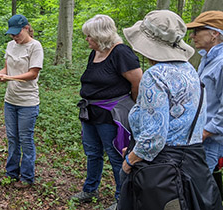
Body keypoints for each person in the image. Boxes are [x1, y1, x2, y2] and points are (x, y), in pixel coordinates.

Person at [119, 10, 222, 209]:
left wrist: (130, 160)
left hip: (161, 168)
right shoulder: (189, 69)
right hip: (193, 162)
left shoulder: (155, 75)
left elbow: (153, 139)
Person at [71, 14, 142, 206]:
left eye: (89, 36)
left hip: (112, 115)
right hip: (91, 112)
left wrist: (132, 107)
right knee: (93, 153)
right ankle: (90, 190)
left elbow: (137, 82)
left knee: (117, 155)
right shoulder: (95, 52)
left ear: (101, 36)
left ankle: (122, 199)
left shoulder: (121, 53)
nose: (87, 40)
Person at [0, 14, 43, 189]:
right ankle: (11, 173)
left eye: (17, 34)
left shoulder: (35, 47)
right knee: (12, 138)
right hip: (10, 100)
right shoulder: (10, 45)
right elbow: (7, 67)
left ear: (26, 28)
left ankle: (27, 177)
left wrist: (9, 77)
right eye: (11, 34)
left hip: (28, 102)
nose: (14, 37)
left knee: (25, 139)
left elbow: (33, 73)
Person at [186, 11, 223, 174]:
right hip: (199, 136)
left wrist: (207, 131)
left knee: (198, 187)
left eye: (197, 31)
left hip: (210, 139)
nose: (192, 36)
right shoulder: (207, 59)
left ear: (214, 33)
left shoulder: (221, 63)